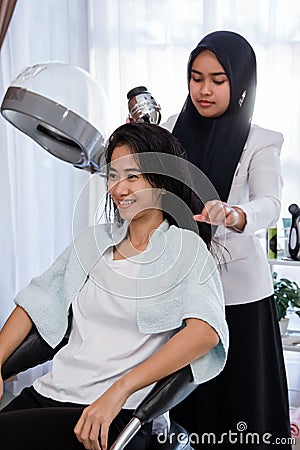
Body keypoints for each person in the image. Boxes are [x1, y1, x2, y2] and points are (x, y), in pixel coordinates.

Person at [0, 122, 229, 450]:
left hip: (114, 411)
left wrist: (119, 390)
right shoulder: (93, 242)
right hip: (50, 393)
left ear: (161, 181)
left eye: (132, 176)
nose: (119, 188)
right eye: (112, 175)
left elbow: (205, 332)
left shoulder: (183, 248)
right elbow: (35, 301)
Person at [162, 30, 291, 448]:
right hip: (180, 284)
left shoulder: (261, 140)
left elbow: (270, 202)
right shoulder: (166, 131)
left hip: (238, 293)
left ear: (241, 83)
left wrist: (237, 215)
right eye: (196, 77)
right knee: (185, 395)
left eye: (218, 79)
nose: (204, 89)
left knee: (241, 402)